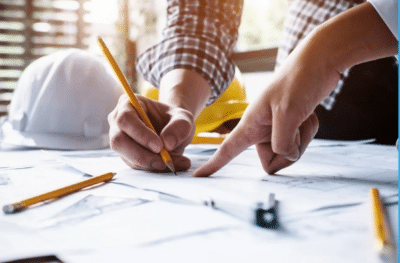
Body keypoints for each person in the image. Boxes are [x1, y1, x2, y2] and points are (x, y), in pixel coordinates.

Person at [108, 0, 397, 175]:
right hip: (313, 91)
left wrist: (326, 51)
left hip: (324, 63)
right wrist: (177, 104)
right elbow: (202, 14)